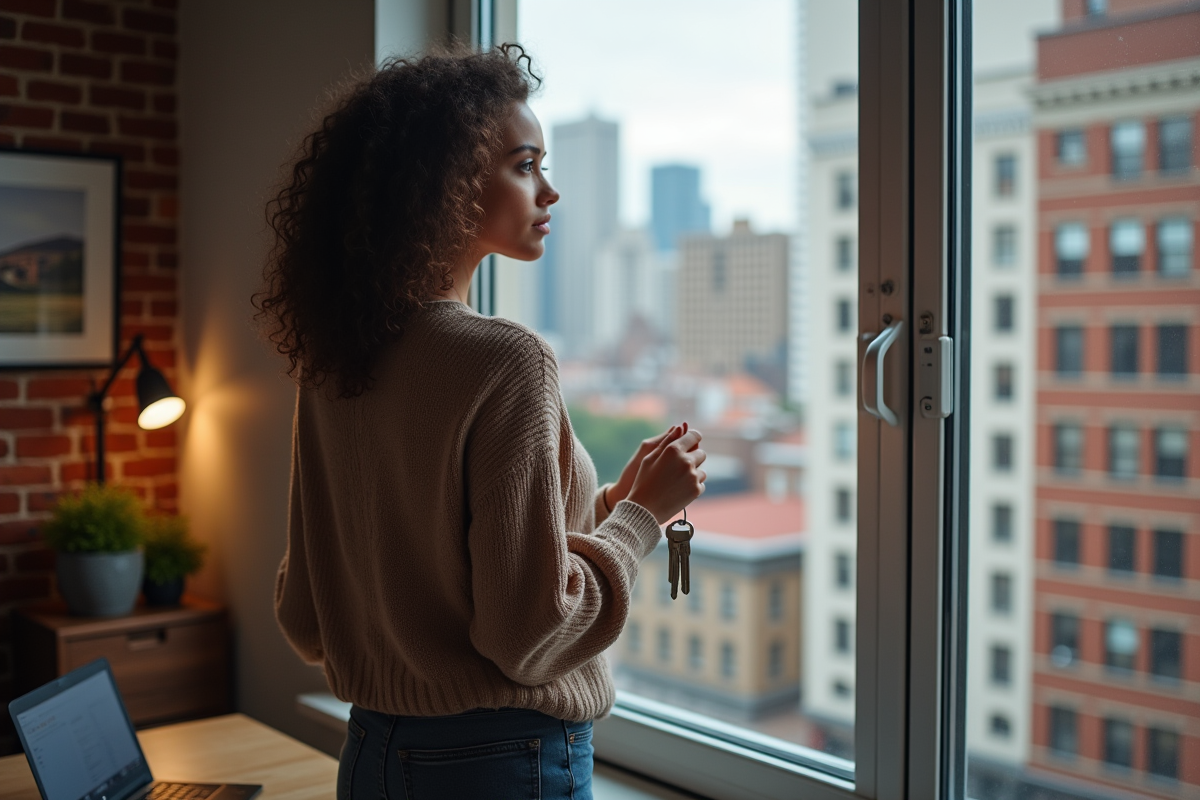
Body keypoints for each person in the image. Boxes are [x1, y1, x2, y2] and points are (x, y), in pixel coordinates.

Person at [255, 44, 706, 800]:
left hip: (370, 757)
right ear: (446, 185)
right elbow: (526, 634)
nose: (550, 191)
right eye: (525, 165)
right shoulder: (507, 361)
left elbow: (310, 612)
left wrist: (595, 509)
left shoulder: (335, 361)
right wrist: (641, 518)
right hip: (503, 768)